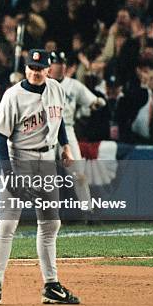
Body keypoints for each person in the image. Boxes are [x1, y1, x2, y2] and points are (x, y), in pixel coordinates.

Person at [0, 49, 80, 305]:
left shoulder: (56, 89)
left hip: (47, 161)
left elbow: (60, 123)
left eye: (40, 68)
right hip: (19, 159)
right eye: (31, 68)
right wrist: (9, 173)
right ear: (26, 69)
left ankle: (51, 284)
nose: (35, 72)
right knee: (7, 224)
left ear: (49, 69)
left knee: (50, 225)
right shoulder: (13, 96)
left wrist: (65, 146)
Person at [48, 51, 105, 208]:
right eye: (56, 63)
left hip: (66, 128)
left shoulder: (73, 85)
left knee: (78, 171)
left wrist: (97, 102)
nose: (60, 66)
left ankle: (87, 208)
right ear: (50, 66)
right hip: (47, 130)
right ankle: (45, 210)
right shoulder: (42, 84)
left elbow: (93, 101)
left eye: (62, 63)